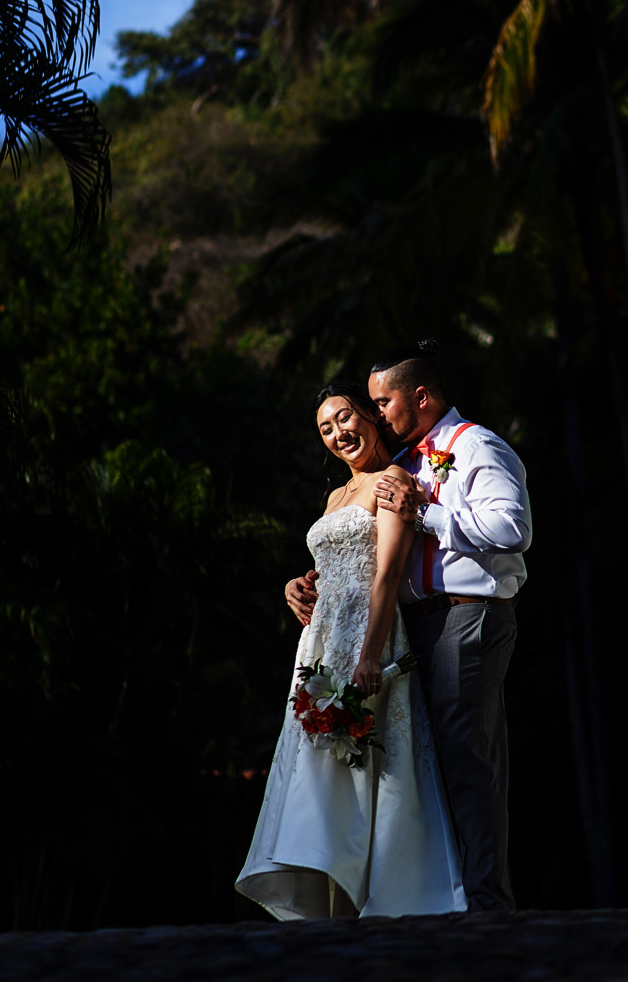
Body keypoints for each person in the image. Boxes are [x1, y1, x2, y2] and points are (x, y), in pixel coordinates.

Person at [285, 340, 531, 912]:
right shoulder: (412, 458)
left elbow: (511, 529)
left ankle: (486, 904)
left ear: (418, 396)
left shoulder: (476, 445)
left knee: (470, 760)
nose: (376, 414)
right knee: (429, 764)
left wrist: (425, 511)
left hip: (466, 616)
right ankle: (442, 897)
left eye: (381, 401)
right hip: (415, 627)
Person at [237, 383, 467, 919]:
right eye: (326, 429)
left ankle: (377, 901)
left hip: (369, 639)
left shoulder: (394, 481)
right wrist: (298, 585)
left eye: (346, 418)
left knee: (369, 761)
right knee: (322, 773)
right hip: (320, 643)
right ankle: (330, 905)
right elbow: (333, 564)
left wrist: (368, 656)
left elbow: (385, 573)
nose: (340, 433)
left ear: (369, 415)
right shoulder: (336, 496)